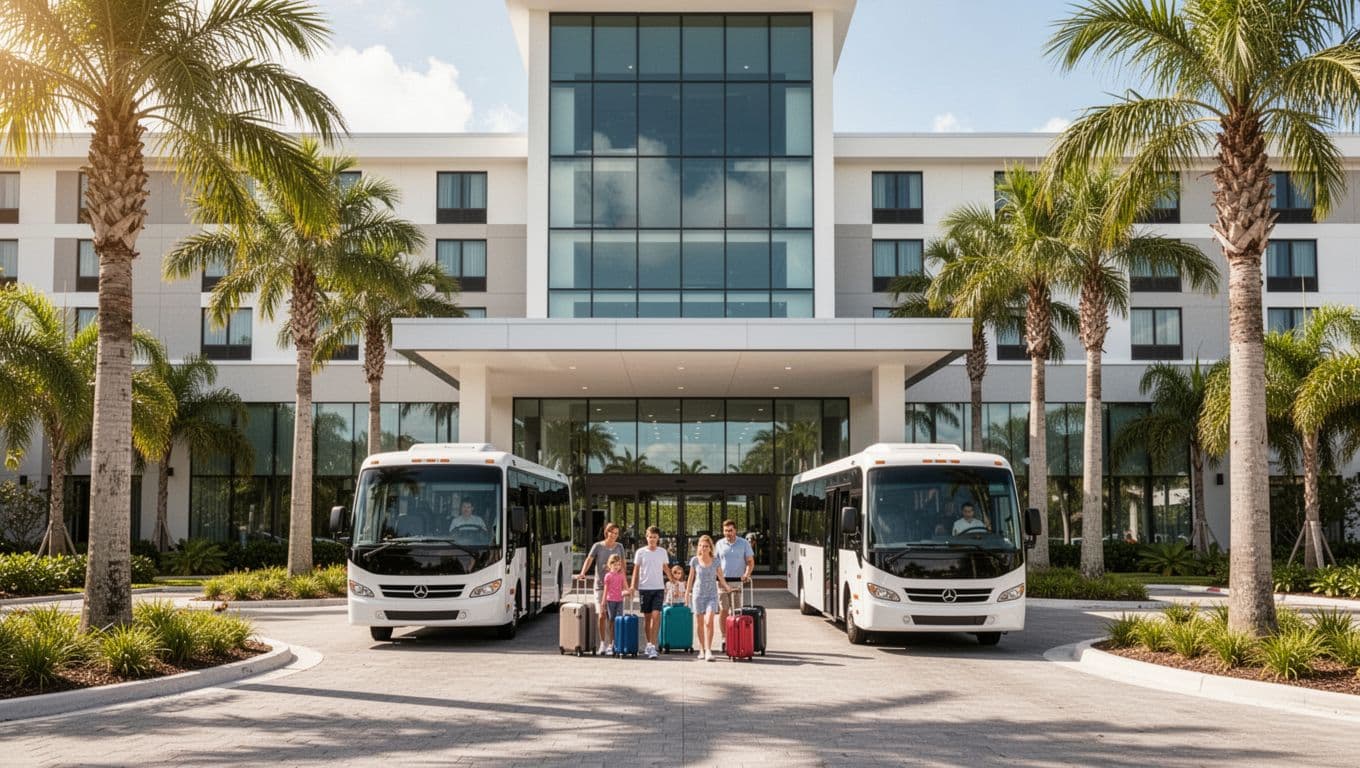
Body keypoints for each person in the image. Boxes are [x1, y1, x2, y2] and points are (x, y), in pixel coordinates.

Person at [578, 522, 625, 655]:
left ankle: (612, 643)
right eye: (612, 532)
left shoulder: (619, 546)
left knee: (613, 617)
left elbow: (623, 564)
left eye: (616, 533)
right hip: (600, 586)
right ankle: (602, 643)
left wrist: (624, 583)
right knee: (602, 614)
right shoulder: (598, 546)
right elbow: (589, 559)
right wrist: (583, 572)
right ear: (606, 532)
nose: (614, 535)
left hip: (615, 588)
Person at [630, 525, 672, 659]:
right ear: (646, 537)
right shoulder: (640, 552)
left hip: (658, 588)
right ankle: (648, 644)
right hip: (644, 588)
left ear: (658, 538)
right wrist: (632, 586)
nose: (652, 539)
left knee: (656, 615)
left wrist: (672, 579)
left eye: (654, 537)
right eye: (650, 537)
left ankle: (653, 645)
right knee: (647, 618)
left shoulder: (662, 552)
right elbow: (636, 570)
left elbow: (665, 567)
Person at [687, 534, 728, 661]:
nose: (703, 548)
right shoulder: (694, 560)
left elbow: (720, 577)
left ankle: (709, 650)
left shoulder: (715, 561)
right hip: (698, 594)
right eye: (701, 546)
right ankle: (701, 649)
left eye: (706, 546)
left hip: (712, 595)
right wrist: (687, 593)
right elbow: (691, 578)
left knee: (709, 621)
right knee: (699, 623)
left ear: (710, 548)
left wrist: (726, 587)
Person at [715, 519, 755, 644]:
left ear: (735, 530)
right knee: (723, 609)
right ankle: (724, 637)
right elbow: (716, 564)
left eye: (730, 530)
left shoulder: (743, 543)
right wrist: (719, 578)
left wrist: (746, 574)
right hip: (722, 582)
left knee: (737, 610)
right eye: (726, 531)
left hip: (737, 582)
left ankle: (737, 635)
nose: (728, 533)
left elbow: (750, 562)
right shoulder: (719, 544)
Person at [600, 554, 629, 657]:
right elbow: (605, 590)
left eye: (619, 564)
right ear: (610, 564)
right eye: (615, 564)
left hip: (620, 601)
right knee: (611, 621)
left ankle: (618, 643)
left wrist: (626, 592)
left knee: (619, 621)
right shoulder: (608, 576)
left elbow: (626, 588)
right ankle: (610, 645)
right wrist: (603, 603)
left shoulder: (621, 575)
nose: (617, 567)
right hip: (610, 601)